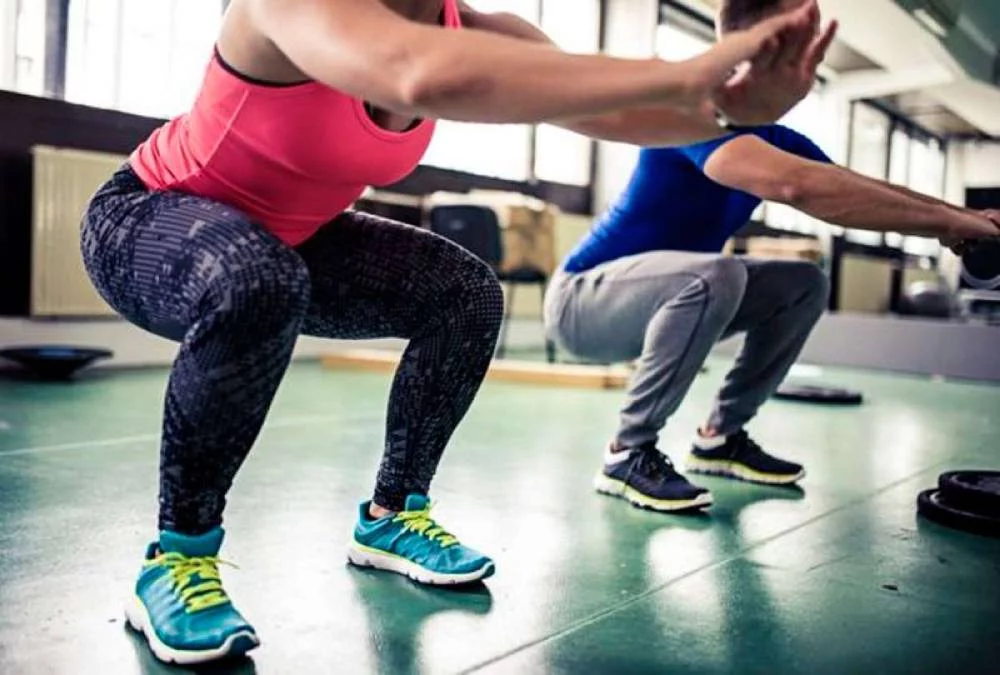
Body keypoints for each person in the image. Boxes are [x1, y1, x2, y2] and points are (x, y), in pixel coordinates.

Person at [80, 0, 833, 664]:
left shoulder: (479, 30)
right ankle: (175, 558)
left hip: (289, 238)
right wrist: (697, 69)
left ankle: (392, 516)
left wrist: (735, 107)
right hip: (146, 218)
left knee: (465, 292)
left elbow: (616, 114)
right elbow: (414, 71)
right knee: (258, 281)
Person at [544, 0, 1000, 515]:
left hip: (661, 297)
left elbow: (850, 189)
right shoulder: (686, 115)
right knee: (716, 273)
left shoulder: (774, 139)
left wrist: (955, 217)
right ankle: (626, 453)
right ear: (760, 54)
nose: (807, 77)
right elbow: (797, 185)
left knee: (802, 282)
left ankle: (719, 439)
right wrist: (950, 222)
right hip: (581, 303)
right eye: (800, 58)